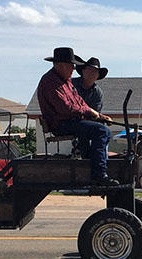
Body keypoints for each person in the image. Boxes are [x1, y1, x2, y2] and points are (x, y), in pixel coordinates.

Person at [36, 47, 118, 186]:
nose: (73, 69)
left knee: (99, 129)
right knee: (102, 131)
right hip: (61, 124)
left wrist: (99, 116)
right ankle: (99, 174)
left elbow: (80, 103)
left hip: (71, 121)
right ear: (59, 65)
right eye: (71, 66)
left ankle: (89, 163)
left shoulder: (65, 81)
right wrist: (90, 113)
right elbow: (65, 108)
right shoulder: (50, 81)